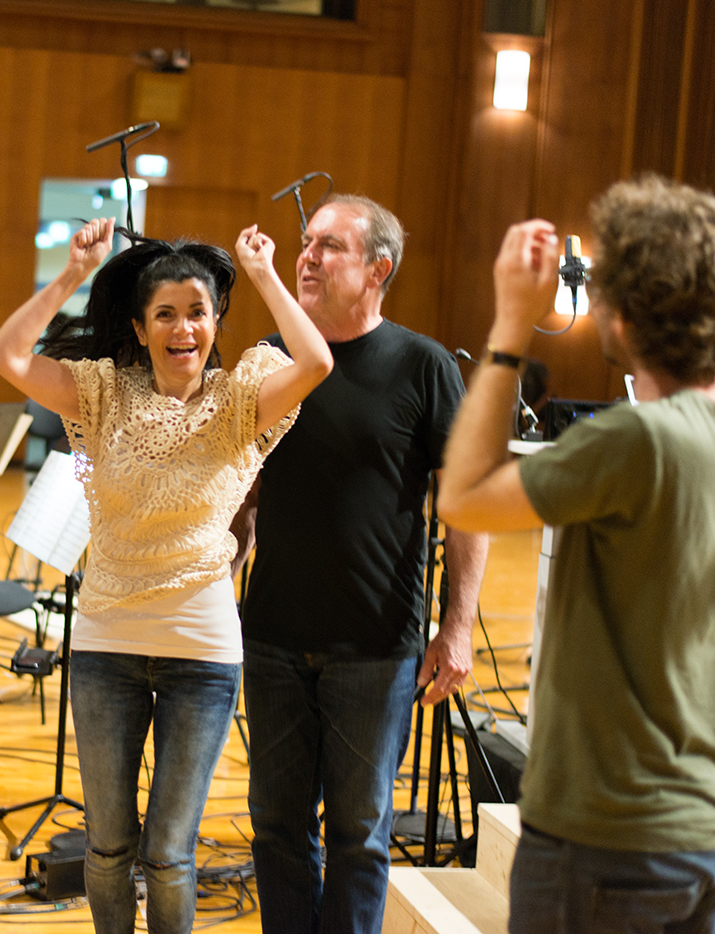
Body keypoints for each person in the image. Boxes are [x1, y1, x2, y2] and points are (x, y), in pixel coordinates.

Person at [439, 176, 715, 934]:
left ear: (627, 312)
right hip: (712, 829)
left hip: (606, 837)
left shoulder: (638, 440)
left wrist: (510, 324)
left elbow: (464, 495)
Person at [0, 217, 333, 933]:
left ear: (216, 322)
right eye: (165, 315)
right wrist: (73, 273)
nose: (184, 329)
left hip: (202, 653)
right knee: (109, 847)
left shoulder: (242, 401)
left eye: (198, 312)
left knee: (170, 853)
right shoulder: (103, 394)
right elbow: (5, 353)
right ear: (140, 330)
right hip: (107, 643)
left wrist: (263, 273)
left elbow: (318, 361)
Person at [232, 193, 489, 934]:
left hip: (374, 650)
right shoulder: (276, 358)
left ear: (378, 268)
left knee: (358, 838)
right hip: (273, 638)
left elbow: (465, 503)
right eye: (305, 243)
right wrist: (220, 561)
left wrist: (459, 626)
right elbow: (247, 492)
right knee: (277, 830)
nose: (306, 256)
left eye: (328, 247)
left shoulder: (423, 365)